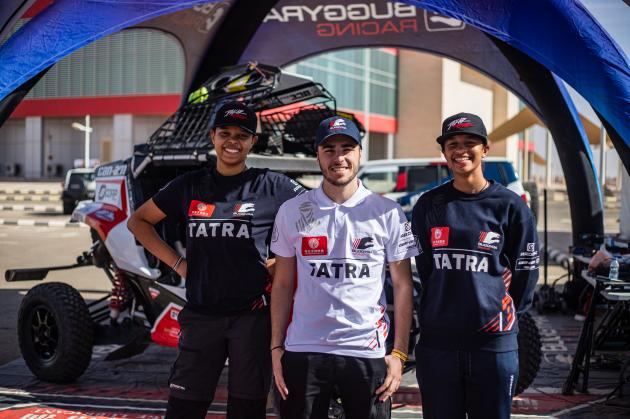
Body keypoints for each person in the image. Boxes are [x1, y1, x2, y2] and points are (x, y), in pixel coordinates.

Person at [127, 101, 306, 419]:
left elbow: (322, 215)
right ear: (213, 136)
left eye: (242, 135)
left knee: (247, 411)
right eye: (225, 133)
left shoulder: (272, 185)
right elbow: (139, 222)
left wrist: (284, 261)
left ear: (253, 141)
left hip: (252, 319)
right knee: (184, 410)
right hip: (201, 316)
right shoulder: (190, 184)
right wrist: (179, 264)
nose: (232, 141)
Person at [269, 116, 418, 418]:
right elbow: (282, 284)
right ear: (317, 156)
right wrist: (276, 349)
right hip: (304, 349)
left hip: (366, 352)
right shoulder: (293, 211)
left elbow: (404, 286)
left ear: (360, 153)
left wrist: (399, 354)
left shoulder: (388, 212)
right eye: (329, 150)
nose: (339, 158)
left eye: (347, 148)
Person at [411, 112, 540, 419]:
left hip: (493, 345)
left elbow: (525, 275)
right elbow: (426, 268)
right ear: (444, 152)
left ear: (485, 148)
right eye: (452, 144)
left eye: (469, 143)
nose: (461, 150)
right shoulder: (428, 205)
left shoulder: (510, 206)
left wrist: (497, 314)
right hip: (438, 344)